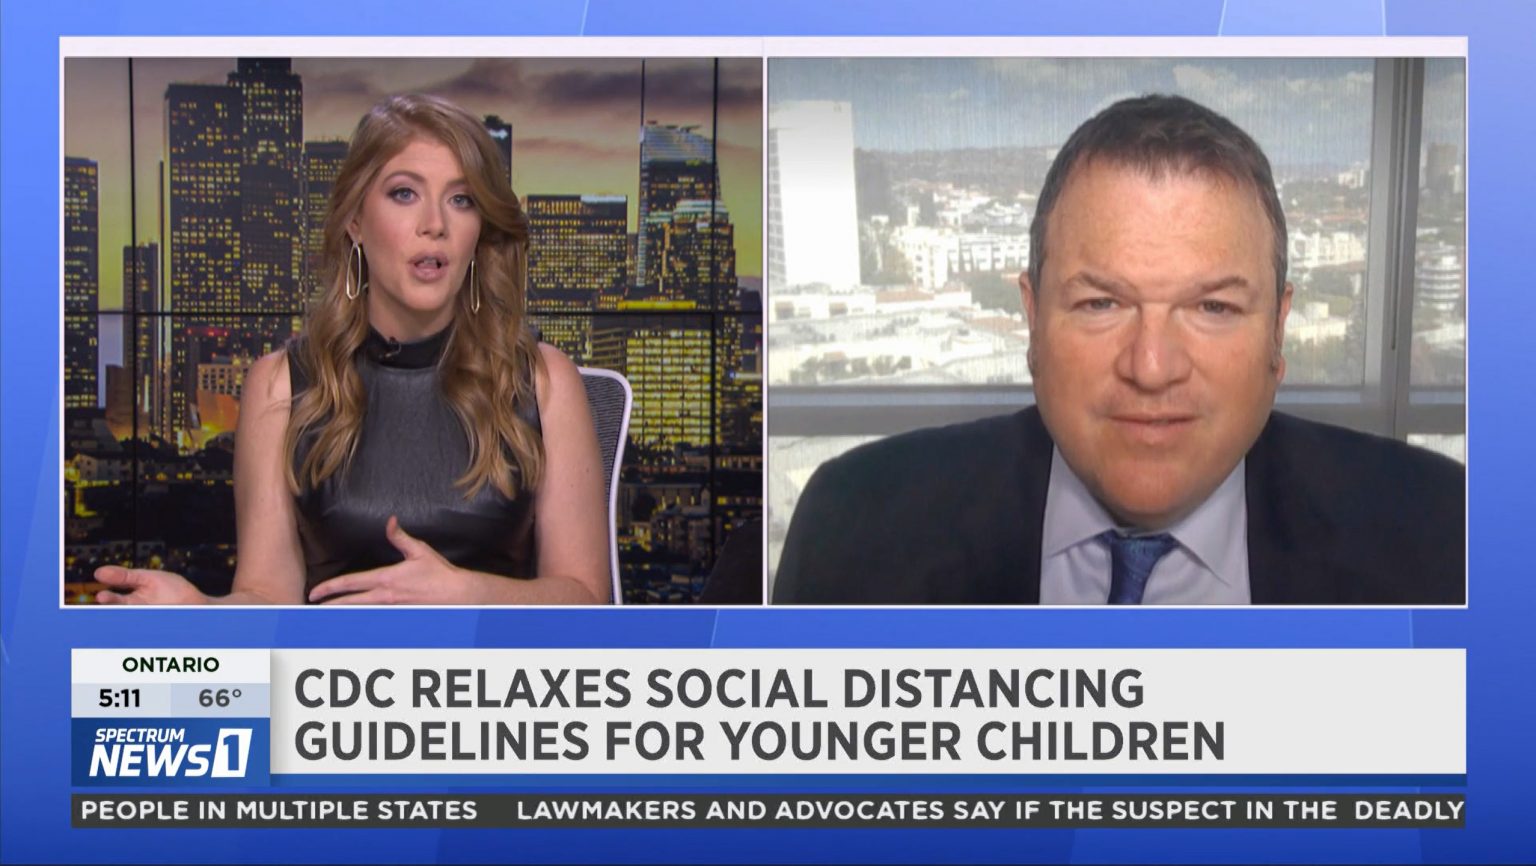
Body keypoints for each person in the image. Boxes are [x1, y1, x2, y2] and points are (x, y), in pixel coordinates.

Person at [774, 94, 1464, 606]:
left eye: (1213, 307)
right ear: (1033, 320)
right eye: (1101, 304)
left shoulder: (1446, 538)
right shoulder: (852, 528)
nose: (1151, 368)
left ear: (1278, 331)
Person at [95, 94, 611, 605]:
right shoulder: (280, 384)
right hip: (333, 661)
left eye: (462, 199)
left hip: (489, 662)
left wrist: (467, 594)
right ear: (355, 221)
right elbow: (267, 595)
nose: (436, 223)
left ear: (480, 229)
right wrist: (201, 613)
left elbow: (586, 599)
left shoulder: (543, 379)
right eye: (405, 193)